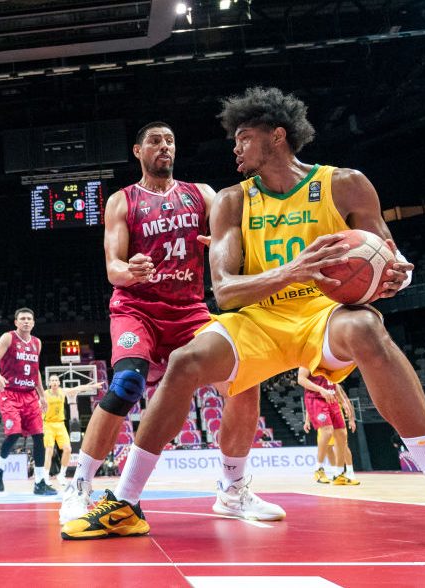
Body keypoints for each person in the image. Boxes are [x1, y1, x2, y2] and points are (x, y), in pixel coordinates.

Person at [66, 87, 425, 550]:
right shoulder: (231, 200)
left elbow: (389, 257)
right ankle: (125, 502)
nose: (235, 148)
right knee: (185, 362)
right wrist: (292, 271)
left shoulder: (345, 184)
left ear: (276, 136)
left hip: (323, 315)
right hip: (259, 319)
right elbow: (224, 290)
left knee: (366, 327)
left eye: (243, 138)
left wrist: (397, 278)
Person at [60, 121, 263, 532]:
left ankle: (232, 486)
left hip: (190, 311)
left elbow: (235, 239)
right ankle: (78, 485)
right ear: (138, 151)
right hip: (138, 309)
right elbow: (113, 268)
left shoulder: (202, 193)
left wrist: (223, 244)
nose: (164, 147)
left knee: (245, 379)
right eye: (155, 141)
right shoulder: (122, 201)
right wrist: (128, 270)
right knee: (126, 385)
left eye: (170, 140)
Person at [0, 308, 55, 495]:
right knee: (14, 433)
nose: (26, 321)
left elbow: (35, 371)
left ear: (33, 323)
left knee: (40, 436)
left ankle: (40, 482)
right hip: (10, 393)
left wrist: (42, 395)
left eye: (29, 319)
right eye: (22, 319)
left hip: (30, 395)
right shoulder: (8, 338)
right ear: (16, 322)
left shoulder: (37, 343)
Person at [300, 366, 357, 485]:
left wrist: (343, 402)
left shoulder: (331, 361)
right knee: (327, 431)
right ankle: (318, 469)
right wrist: (320, 389)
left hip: (332, 399)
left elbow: (335, 385)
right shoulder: (308, 358)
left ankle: (339, 474)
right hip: (316, 398)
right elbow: (301, 379)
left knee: (342, 435)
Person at [42, 375, 102, 487]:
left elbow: (78, 388)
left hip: (60, 424)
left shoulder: (62, 391)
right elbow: (38, 406)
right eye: (52, 381)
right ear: (49, 383)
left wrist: (92, 386)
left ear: (59, 383)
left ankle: (61, 475)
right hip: (48, 424)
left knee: (68, 449)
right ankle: (45, 478)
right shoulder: (45, 394)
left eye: (56, 380)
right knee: (49, 451)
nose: (54, 382)